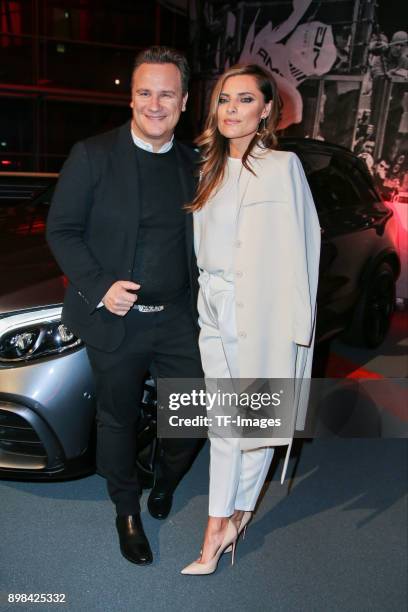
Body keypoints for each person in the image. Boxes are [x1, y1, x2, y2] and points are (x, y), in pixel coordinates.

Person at [46, 46, 203, 566]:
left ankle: (164, 480)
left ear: (183, 101)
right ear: (131, 97)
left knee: (189, 416)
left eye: (166, 93)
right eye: (144, 92)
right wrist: (98, 285)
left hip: (180, 317)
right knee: (116, 419)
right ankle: (126, 508)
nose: (154, 104)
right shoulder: (93, 155)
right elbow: (62, 231)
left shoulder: (197, 163)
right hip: (115, 320)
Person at [181, 64, 320, 575]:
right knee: (224, 424)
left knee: (255, 423)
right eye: (223, 100)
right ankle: (227, 519)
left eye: (244, 100)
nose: (231, 110)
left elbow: (307, 248)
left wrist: (295, 329)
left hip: (262, 310)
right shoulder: (207, 169)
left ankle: (221, 525)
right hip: (213, 308)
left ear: (266, 110)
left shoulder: (283, 167)